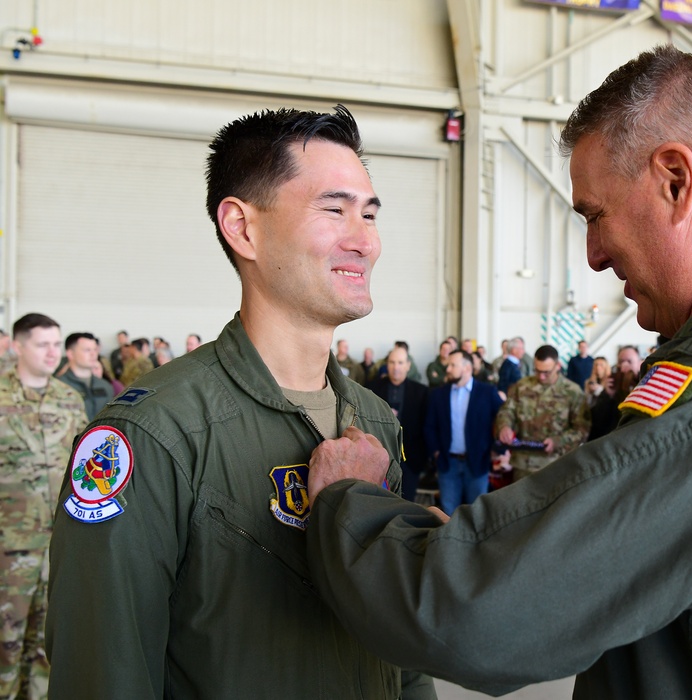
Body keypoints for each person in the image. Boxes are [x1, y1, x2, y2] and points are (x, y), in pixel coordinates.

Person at [303, 46, 692, 698]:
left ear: (674, 180)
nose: (594, 255)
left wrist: (348, 507)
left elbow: (468, 615)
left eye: (595, 216)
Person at [46, 107, 435, 699]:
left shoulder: (374, 422)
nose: (366, 241)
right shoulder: (152, 434)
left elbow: (400, 643)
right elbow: (103, 670)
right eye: (334, 210)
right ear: (243, 227)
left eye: (371, 214)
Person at [0, 313, 87, 699]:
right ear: (18, 346)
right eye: (43, 344)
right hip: (8, 546)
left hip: (59, 544)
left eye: (56, 343)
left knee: (48, 642)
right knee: (6, 637)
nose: (53, 352)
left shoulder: (69, 399)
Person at [494, 344, 591, 481]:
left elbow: (582, 429)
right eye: (537, 371)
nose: (541, 376)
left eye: (546, 372)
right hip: (523, 465)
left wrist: (558, 441)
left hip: (556, 465)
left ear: (557, 366)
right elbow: (507, 410)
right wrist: (504, 426)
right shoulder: (522, 386)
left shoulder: (572, 392)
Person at [424, 349, 504, 514]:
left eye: (453, 365)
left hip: (477, 463)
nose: (447, 369)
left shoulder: (487, 392)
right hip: (448, 464)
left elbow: (504, 420)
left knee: (477, 514)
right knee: (448, 514)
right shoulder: (439, 394)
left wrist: (498, 449)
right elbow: (429, 426)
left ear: (467, 368)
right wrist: (436, 452)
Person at [370, 347, 429, 501]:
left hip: (411, 461)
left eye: (400, 363)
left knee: (407, 505)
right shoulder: (372, 388)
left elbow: (426, 427)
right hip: (379, 459)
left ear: (408, 365)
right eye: (392, 362)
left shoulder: (421, 392)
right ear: (386, 365)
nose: (396, 367)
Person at [55, 332, 115, 420]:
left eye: (95, 350)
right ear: (70, 354)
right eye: (87, 350)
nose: (93, 354)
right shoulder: (58, 386)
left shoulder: (105, 386)